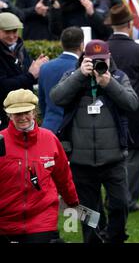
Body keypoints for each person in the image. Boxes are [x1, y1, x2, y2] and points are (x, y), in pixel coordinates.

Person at [50, 39, 139, 243]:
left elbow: (132, 103)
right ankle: (93, 240)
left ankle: (115, 237)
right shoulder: (73, 76)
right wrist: (80, 75)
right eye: (93, 60)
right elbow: (57, 97)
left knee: (120, 203)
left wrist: (109, 84)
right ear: (84, 59)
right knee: (87, 213)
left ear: (109, 58)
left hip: (113, 158)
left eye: (102, 60)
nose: (99, 64)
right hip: (81, 160)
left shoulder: (118, 76)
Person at [0, 89, 79, 243]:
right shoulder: (1, 140)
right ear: (9, 115)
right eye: (17, 113)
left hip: (41, 218)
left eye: (27, 112)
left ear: (34, 112)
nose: (23, 117)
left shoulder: (49, 139)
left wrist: (72, 201)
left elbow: (63, 175)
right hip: (5, 219)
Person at [106, 4, 139, 212]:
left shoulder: (103, 48)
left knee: (112, 159)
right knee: (135, 158)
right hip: (136, 110)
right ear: (129, 25)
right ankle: (127, 200)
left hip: (110, 109)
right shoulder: (138, 49)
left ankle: (113, 199)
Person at [0, 12, 48, 130]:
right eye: (7, 32)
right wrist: (31, 75)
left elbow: (28, 75)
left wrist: (39, 68)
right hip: (6, 113)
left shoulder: (20, 47)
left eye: (14, 31)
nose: (12, 36)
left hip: (25, 110)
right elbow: (3, 85)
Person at [38, 27, 84, 134]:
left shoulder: (45, 67)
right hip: (73, 129)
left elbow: (42, 101)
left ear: (62, 44)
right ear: (82, 45)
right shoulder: (82, 69)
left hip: (50, 126)